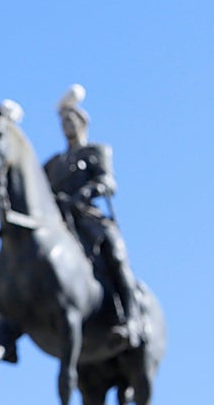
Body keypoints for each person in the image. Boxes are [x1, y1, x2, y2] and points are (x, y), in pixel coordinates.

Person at [43, 84, 141, 345]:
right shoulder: (53, 163)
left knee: (115, 255)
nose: (67, 125)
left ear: (82, 122)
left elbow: (108, 181)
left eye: (71, 120)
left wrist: (84, 193)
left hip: (88, 217)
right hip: (60, 222)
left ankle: (131, 319)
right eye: (63, 121)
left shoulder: (96, 151)